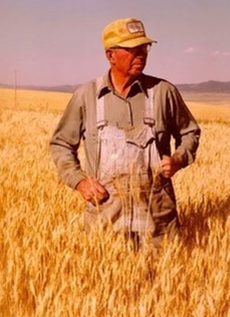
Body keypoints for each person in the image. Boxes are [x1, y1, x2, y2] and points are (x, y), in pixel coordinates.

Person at [50, 17, 200, 252]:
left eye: (144, 48)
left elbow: (190, 132)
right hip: (106, 215)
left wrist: (178, 159)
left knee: (163, 285)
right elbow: (60, 144)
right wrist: (79, 181)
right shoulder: (87, 96)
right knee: (106, 284)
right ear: (110, 55)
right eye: (132, 49)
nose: (140, 54)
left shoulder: (163, 93)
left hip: (157, 218)